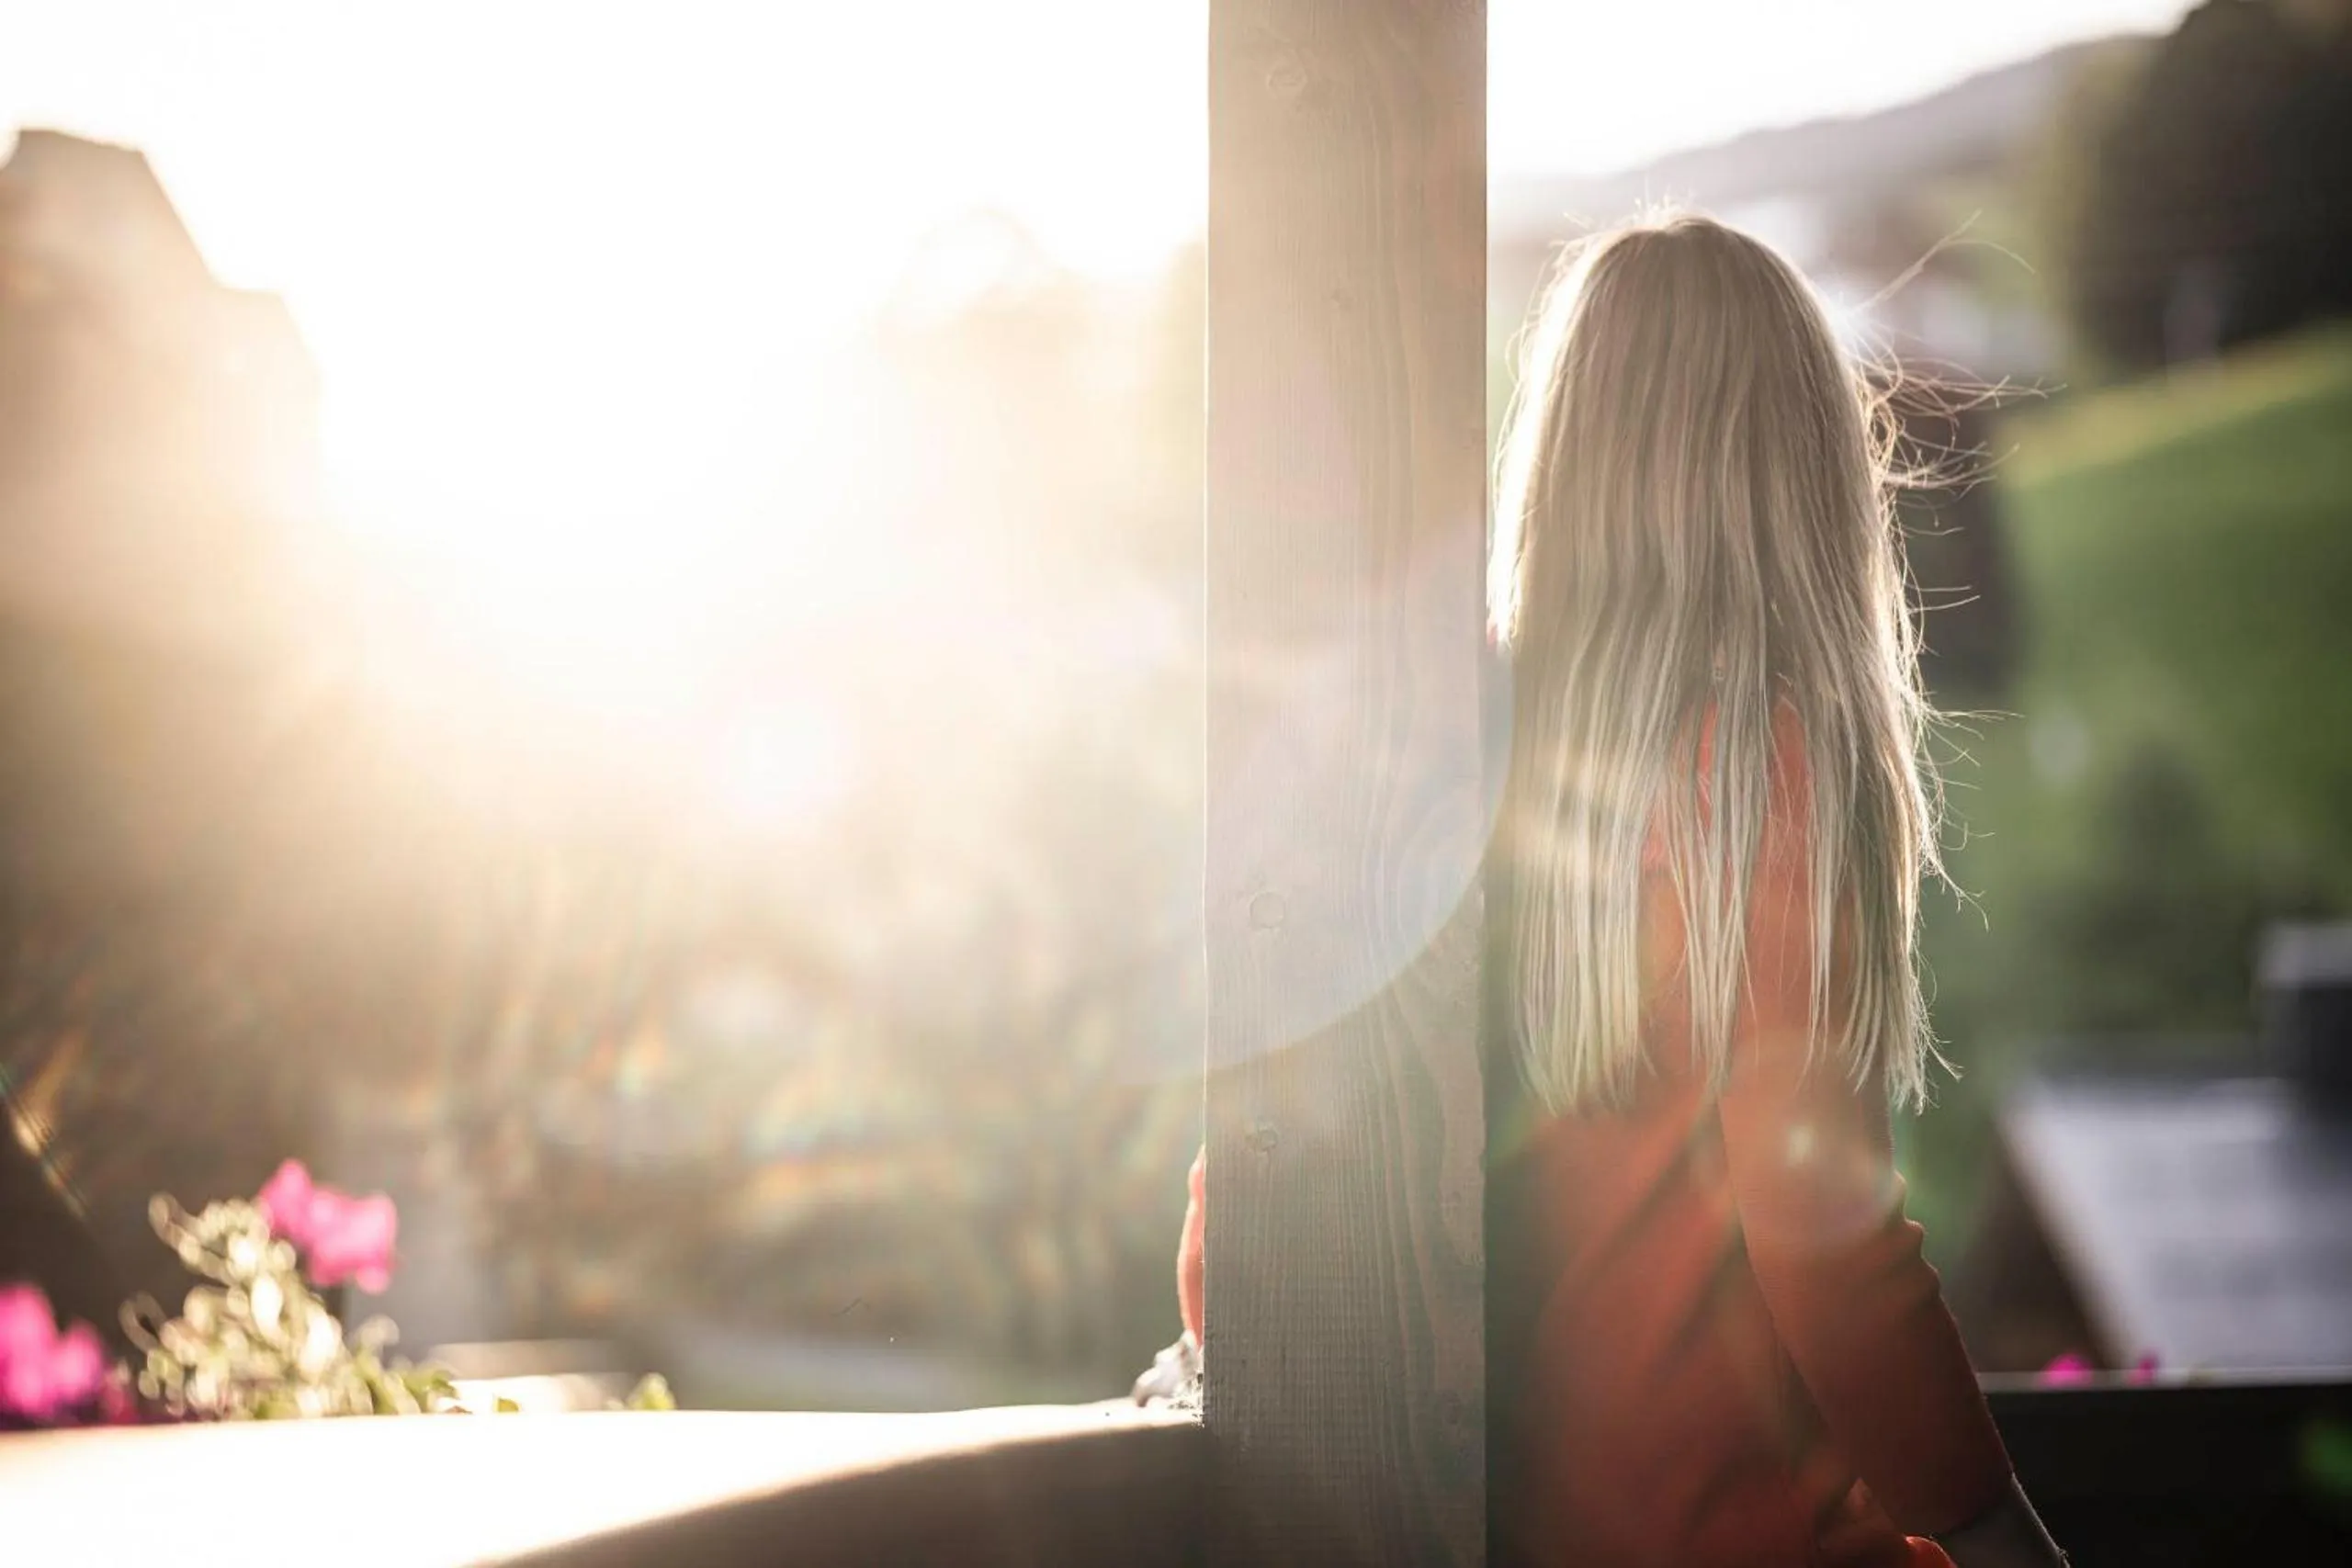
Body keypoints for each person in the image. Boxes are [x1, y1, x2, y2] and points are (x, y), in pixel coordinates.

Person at [1168, 213, 2067, 1568]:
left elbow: (1249, 1179)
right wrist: (2004, 1537)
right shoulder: (1763, 768)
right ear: (1802, 471)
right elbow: (1828, 1245)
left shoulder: (1436, 740)